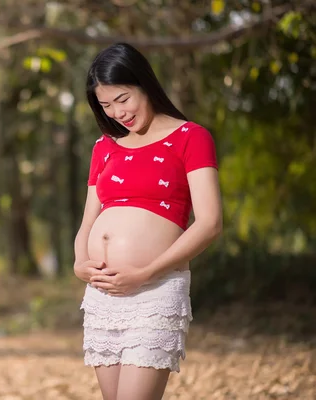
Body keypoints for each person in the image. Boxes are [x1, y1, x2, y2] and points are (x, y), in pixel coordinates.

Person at [74, 42, 222, 400]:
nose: (117, 113)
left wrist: (145, 272)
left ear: (144, 83)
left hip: (155, 289)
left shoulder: (191, 137)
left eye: (122, 99)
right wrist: (80, 262)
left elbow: (210, 222)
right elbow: (88, 222)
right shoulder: (105, 146)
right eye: (106, 106)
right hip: (104, 295)